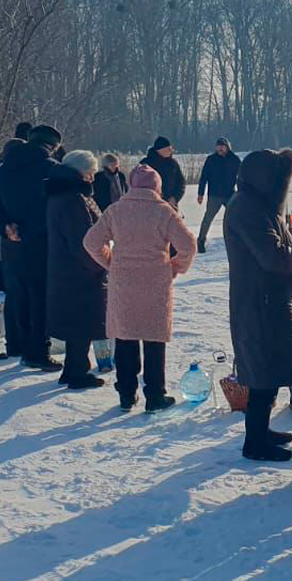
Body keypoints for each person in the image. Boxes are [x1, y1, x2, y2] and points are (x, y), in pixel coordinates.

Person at [84, 165, 196, 412]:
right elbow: (188, 245)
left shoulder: (116, 210)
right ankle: (155, 395)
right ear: (157, 186)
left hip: (123, 281)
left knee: (125, 336)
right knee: (154, 339)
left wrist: (111, 261)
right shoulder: (164, 212)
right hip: (156, 281)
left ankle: (126, 394)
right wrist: (174, 267)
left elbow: (91, 242)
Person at [225, 149, 292, 462]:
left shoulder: (256, 204)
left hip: (267, 297)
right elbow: (272, 257)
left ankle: (261, 432)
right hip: (259, 301)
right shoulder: (248, 208)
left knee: (267, 369)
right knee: (262, 371)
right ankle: (255, 442)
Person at [0, 124, 65, 371]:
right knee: (40, 296)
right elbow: (58, 209)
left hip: (11, 242)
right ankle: (38, 350)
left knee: (15, 293)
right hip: (40, 241)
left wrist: (5, 226)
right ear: (52, 146)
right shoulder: (51, 170)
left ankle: (16, 343)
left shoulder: (2, 170)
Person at [46, 150, 108, 389]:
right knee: (82, 320)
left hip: (65, 267)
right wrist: (99, 264)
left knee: (76, 321)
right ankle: (77, 372)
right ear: (80, 172)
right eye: (90, 173)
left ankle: (74, 367)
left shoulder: (59, 194)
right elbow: (82, 240)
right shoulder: (73, 199)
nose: (93, 178)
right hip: (79, 270)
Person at [196, 137, 241, 253]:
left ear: (227, 147)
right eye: (218, 146)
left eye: (222, 146)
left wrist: (241, 193)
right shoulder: (211, 159)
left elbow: (241, 177)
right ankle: (201, 241)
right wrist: (200, 193)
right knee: (208, 218)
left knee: (236, 217)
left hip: (230, 194)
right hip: (214, 195)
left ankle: (240, 240)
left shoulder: (234, 160)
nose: (220, 148)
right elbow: (204, 177)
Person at [140, 136, 185, 208]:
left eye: (171, 149)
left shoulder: (173, 163)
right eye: (168, 149)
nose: (171, 151)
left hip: (170, 204)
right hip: (150, 205)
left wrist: (175, 198)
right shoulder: (146, 164)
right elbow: (138, 185)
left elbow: (181, 182)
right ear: (160, 150)